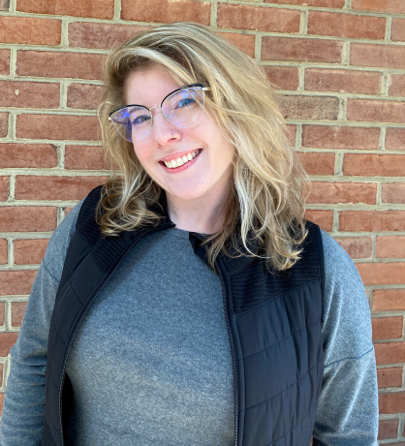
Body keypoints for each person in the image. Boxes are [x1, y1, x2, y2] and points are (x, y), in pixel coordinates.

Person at [0, 22, 378, 446]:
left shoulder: (317, 274)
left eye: (183, 101)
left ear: (235, 108)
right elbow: (34, 361)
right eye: (140, 117)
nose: (162, 135)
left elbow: (348, 436)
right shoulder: (93, 226)